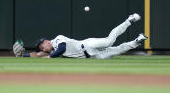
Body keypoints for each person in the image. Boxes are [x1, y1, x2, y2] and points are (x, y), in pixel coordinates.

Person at [13, 13, 148, 59]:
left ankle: (129, 20)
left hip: (87, 45)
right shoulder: (50, 51)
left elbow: (62, 49)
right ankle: (137, 40)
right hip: (93, 56)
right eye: (41, 48)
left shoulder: (58, 40)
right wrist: (21, 56)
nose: (43, 49)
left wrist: (49, 57)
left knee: (109, 41)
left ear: (47, 41)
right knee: (118, 51)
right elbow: (36, 55)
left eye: (42, 45)